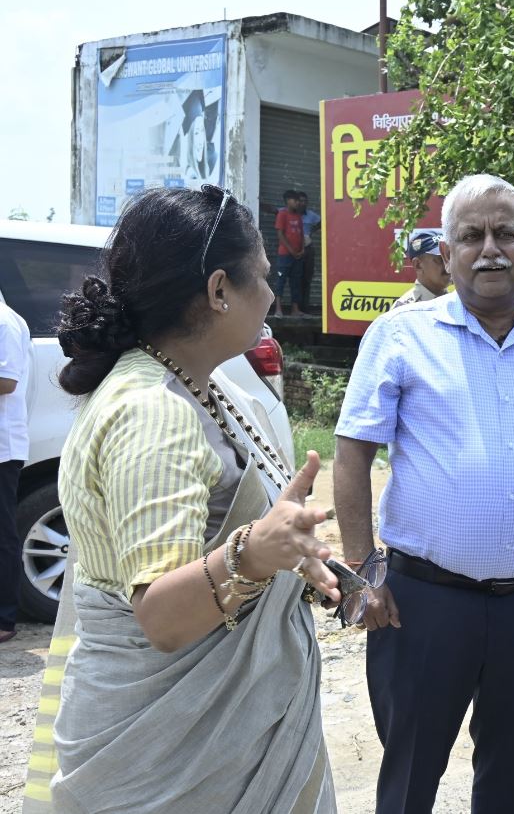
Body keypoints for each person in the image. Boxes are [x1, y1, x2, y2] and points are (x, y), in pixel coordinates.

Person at [29, 186, 343, 813]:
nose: (275, 293)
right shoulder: (155, 414)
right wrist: (256, 554)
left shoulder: (202, 388)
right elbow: (163, 619)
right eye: (265, 275)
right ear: (220, 289)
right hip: (175, 758)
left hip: (213, 740)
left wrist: (291, 556)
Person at [333, 173, 514, 814]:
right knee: (410, 774)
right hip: (422, 604)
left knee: (511, 770)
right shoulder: (401, 336)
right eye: (471, 236)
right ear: (446, 252)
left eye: (505, 234)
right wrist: (362, 572)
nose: (489, 249)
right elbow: (352, 452)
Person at [0, 299, 30, 645]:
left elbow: (6, 381)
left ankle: (4, 617)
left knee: (2, 535)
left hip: (3, 449)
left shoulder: (5, 322)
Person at [390, 230, 451, 308]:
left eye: (449, 257)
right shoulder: (405, 309)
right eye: (440, 259)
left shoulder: (458, 302)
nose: (447, 264)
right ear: (418, 265)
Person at [273, 189, 305, 317]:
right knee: (281, 280)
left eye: (298, 200)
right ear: (288, 201)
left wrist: (302, 249)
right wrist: (291, 250)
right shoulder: (282, 214)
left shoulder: (298, 216)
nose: (298, 203)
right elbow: (280, 234)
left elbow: (302, 234)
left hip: (297, 256)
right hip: (285, 255)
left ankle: (295, 309)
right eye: (295, 200)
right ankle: (278, 309)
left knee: (295, 282)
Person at [297, 190, 322, 314]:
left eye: (304, 201)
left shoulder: (311, 215)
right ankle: (295, 308)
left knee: (307, 278)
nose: (302, 203)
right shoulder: (290, 213)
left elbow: (322, 221)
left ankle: (304, 307)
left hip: (307, 248)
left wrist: (312, 230)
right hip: (294, 249)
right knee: (296, 278)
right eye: (300, 201)